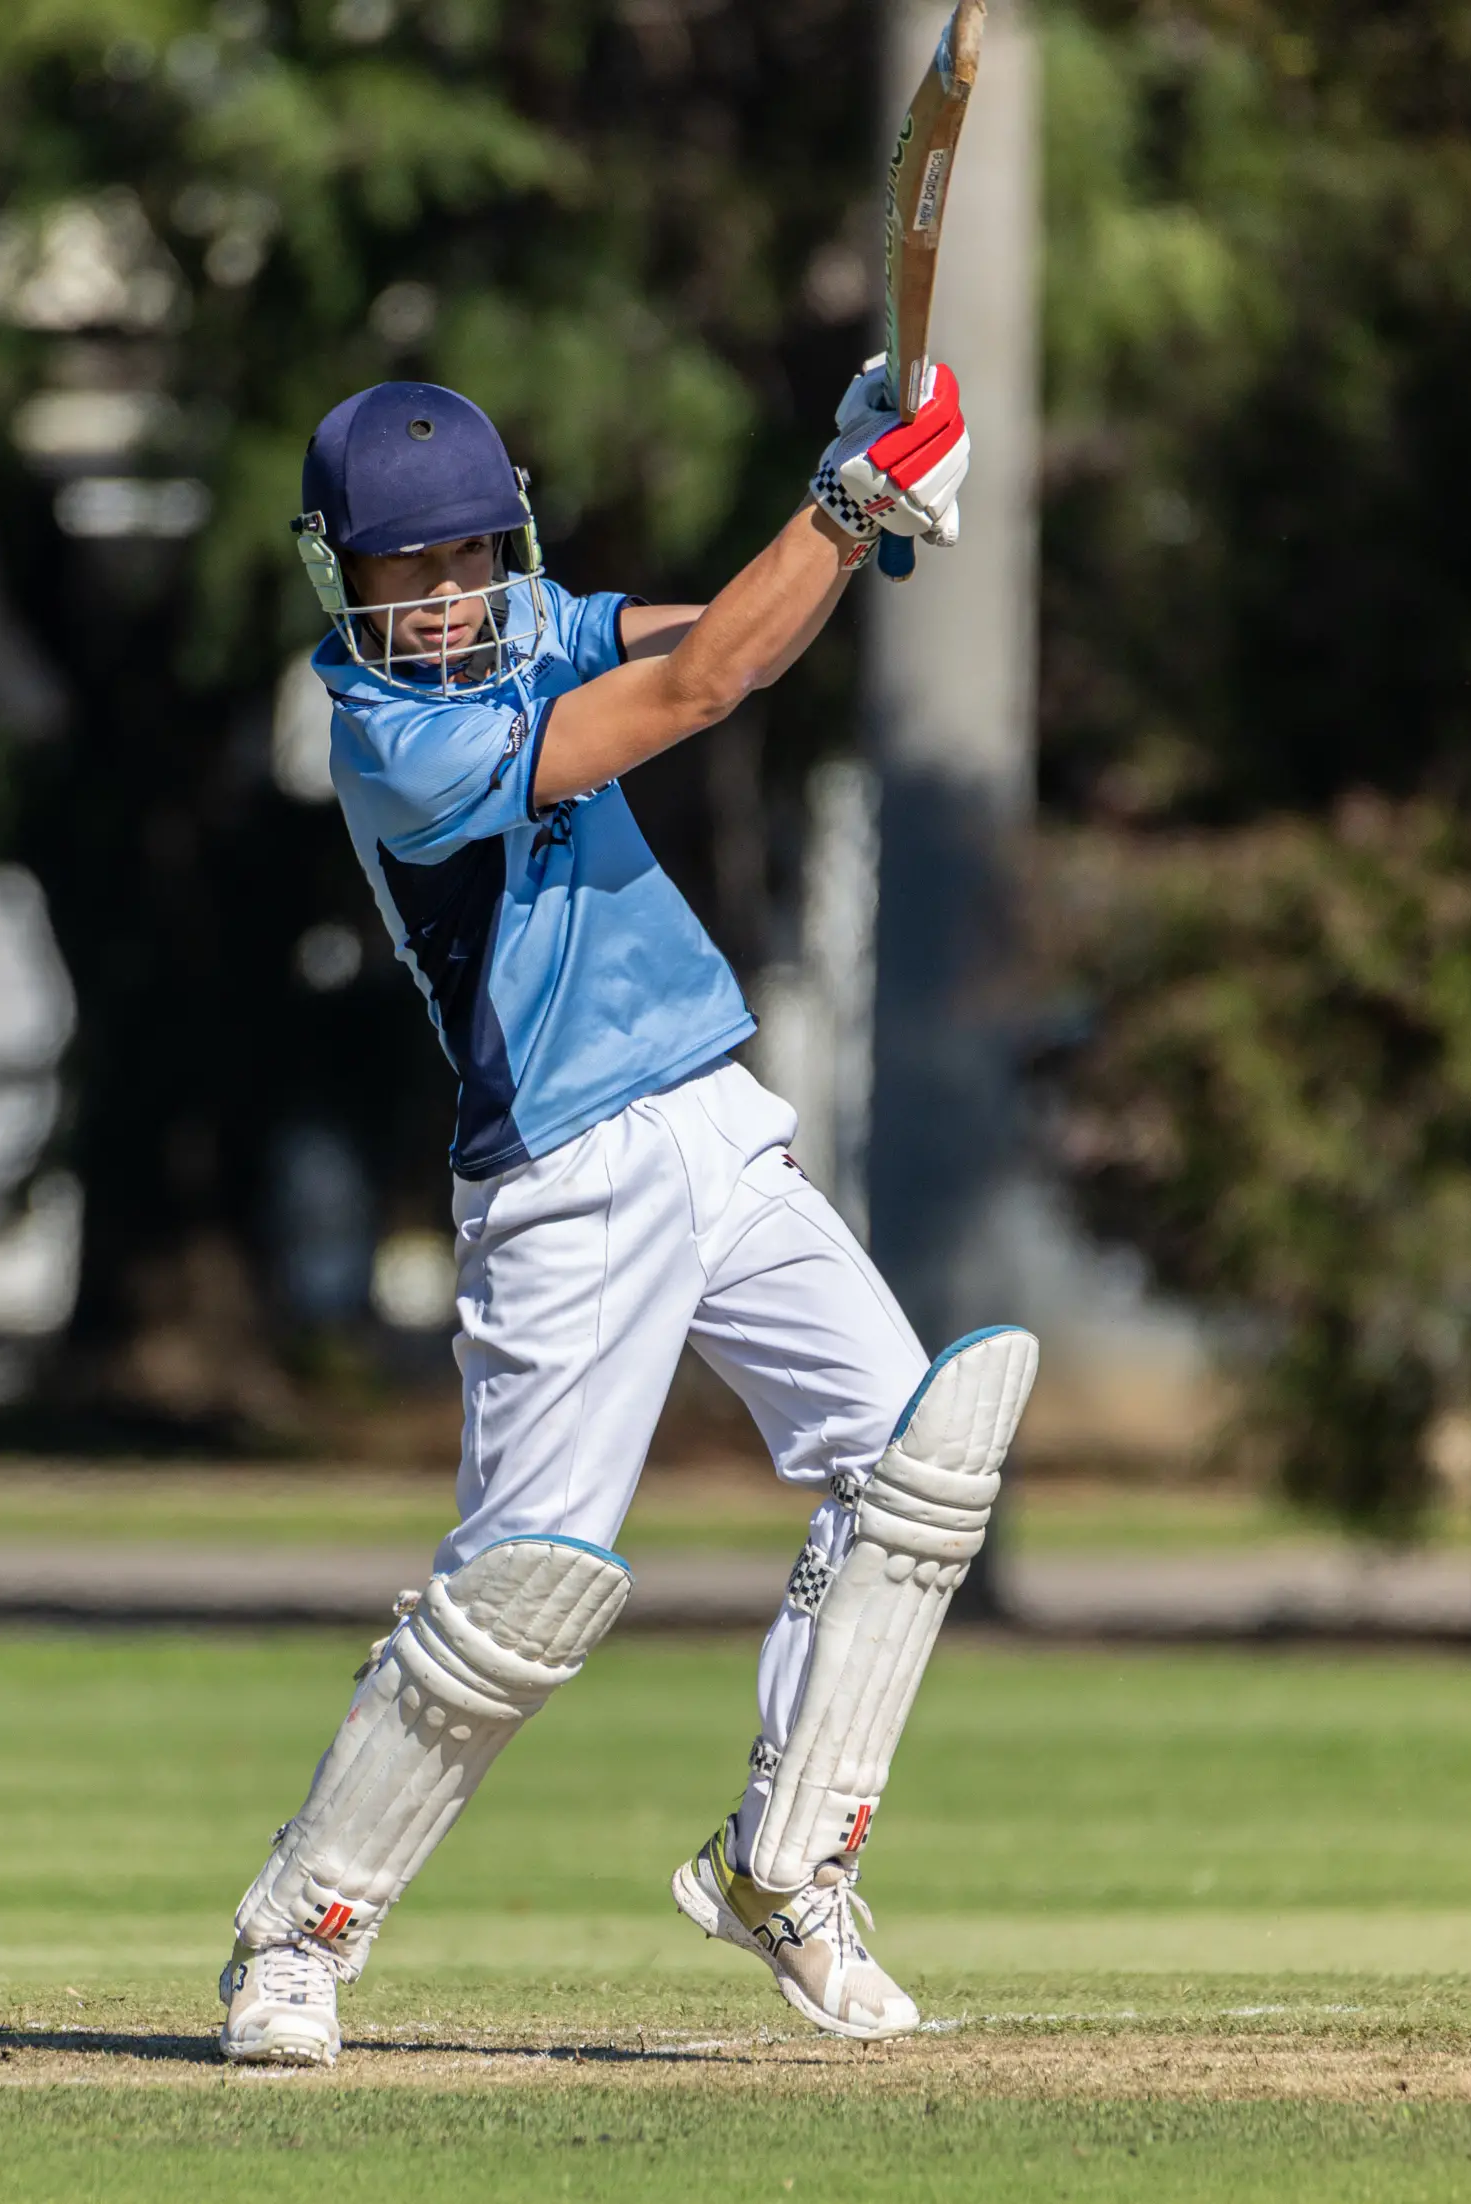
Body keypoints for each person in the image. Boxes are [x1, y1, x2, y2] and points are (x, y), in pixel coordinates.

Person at [218, 364, 1039, 2067]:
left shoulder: (529, 627)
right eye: (401, 574)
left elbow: (721, 622)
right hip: (564, 1177)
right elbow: (706, 681)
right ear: (339, 577)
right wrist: (844, 516)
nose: (441, 603)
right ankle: (300, 1931)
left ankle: (786, 1866)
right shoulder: (392, 739)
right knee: (519, 1595)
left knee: (913, 1459)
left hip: (713, 1119)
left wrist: (846, 492)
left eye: (463, 561)